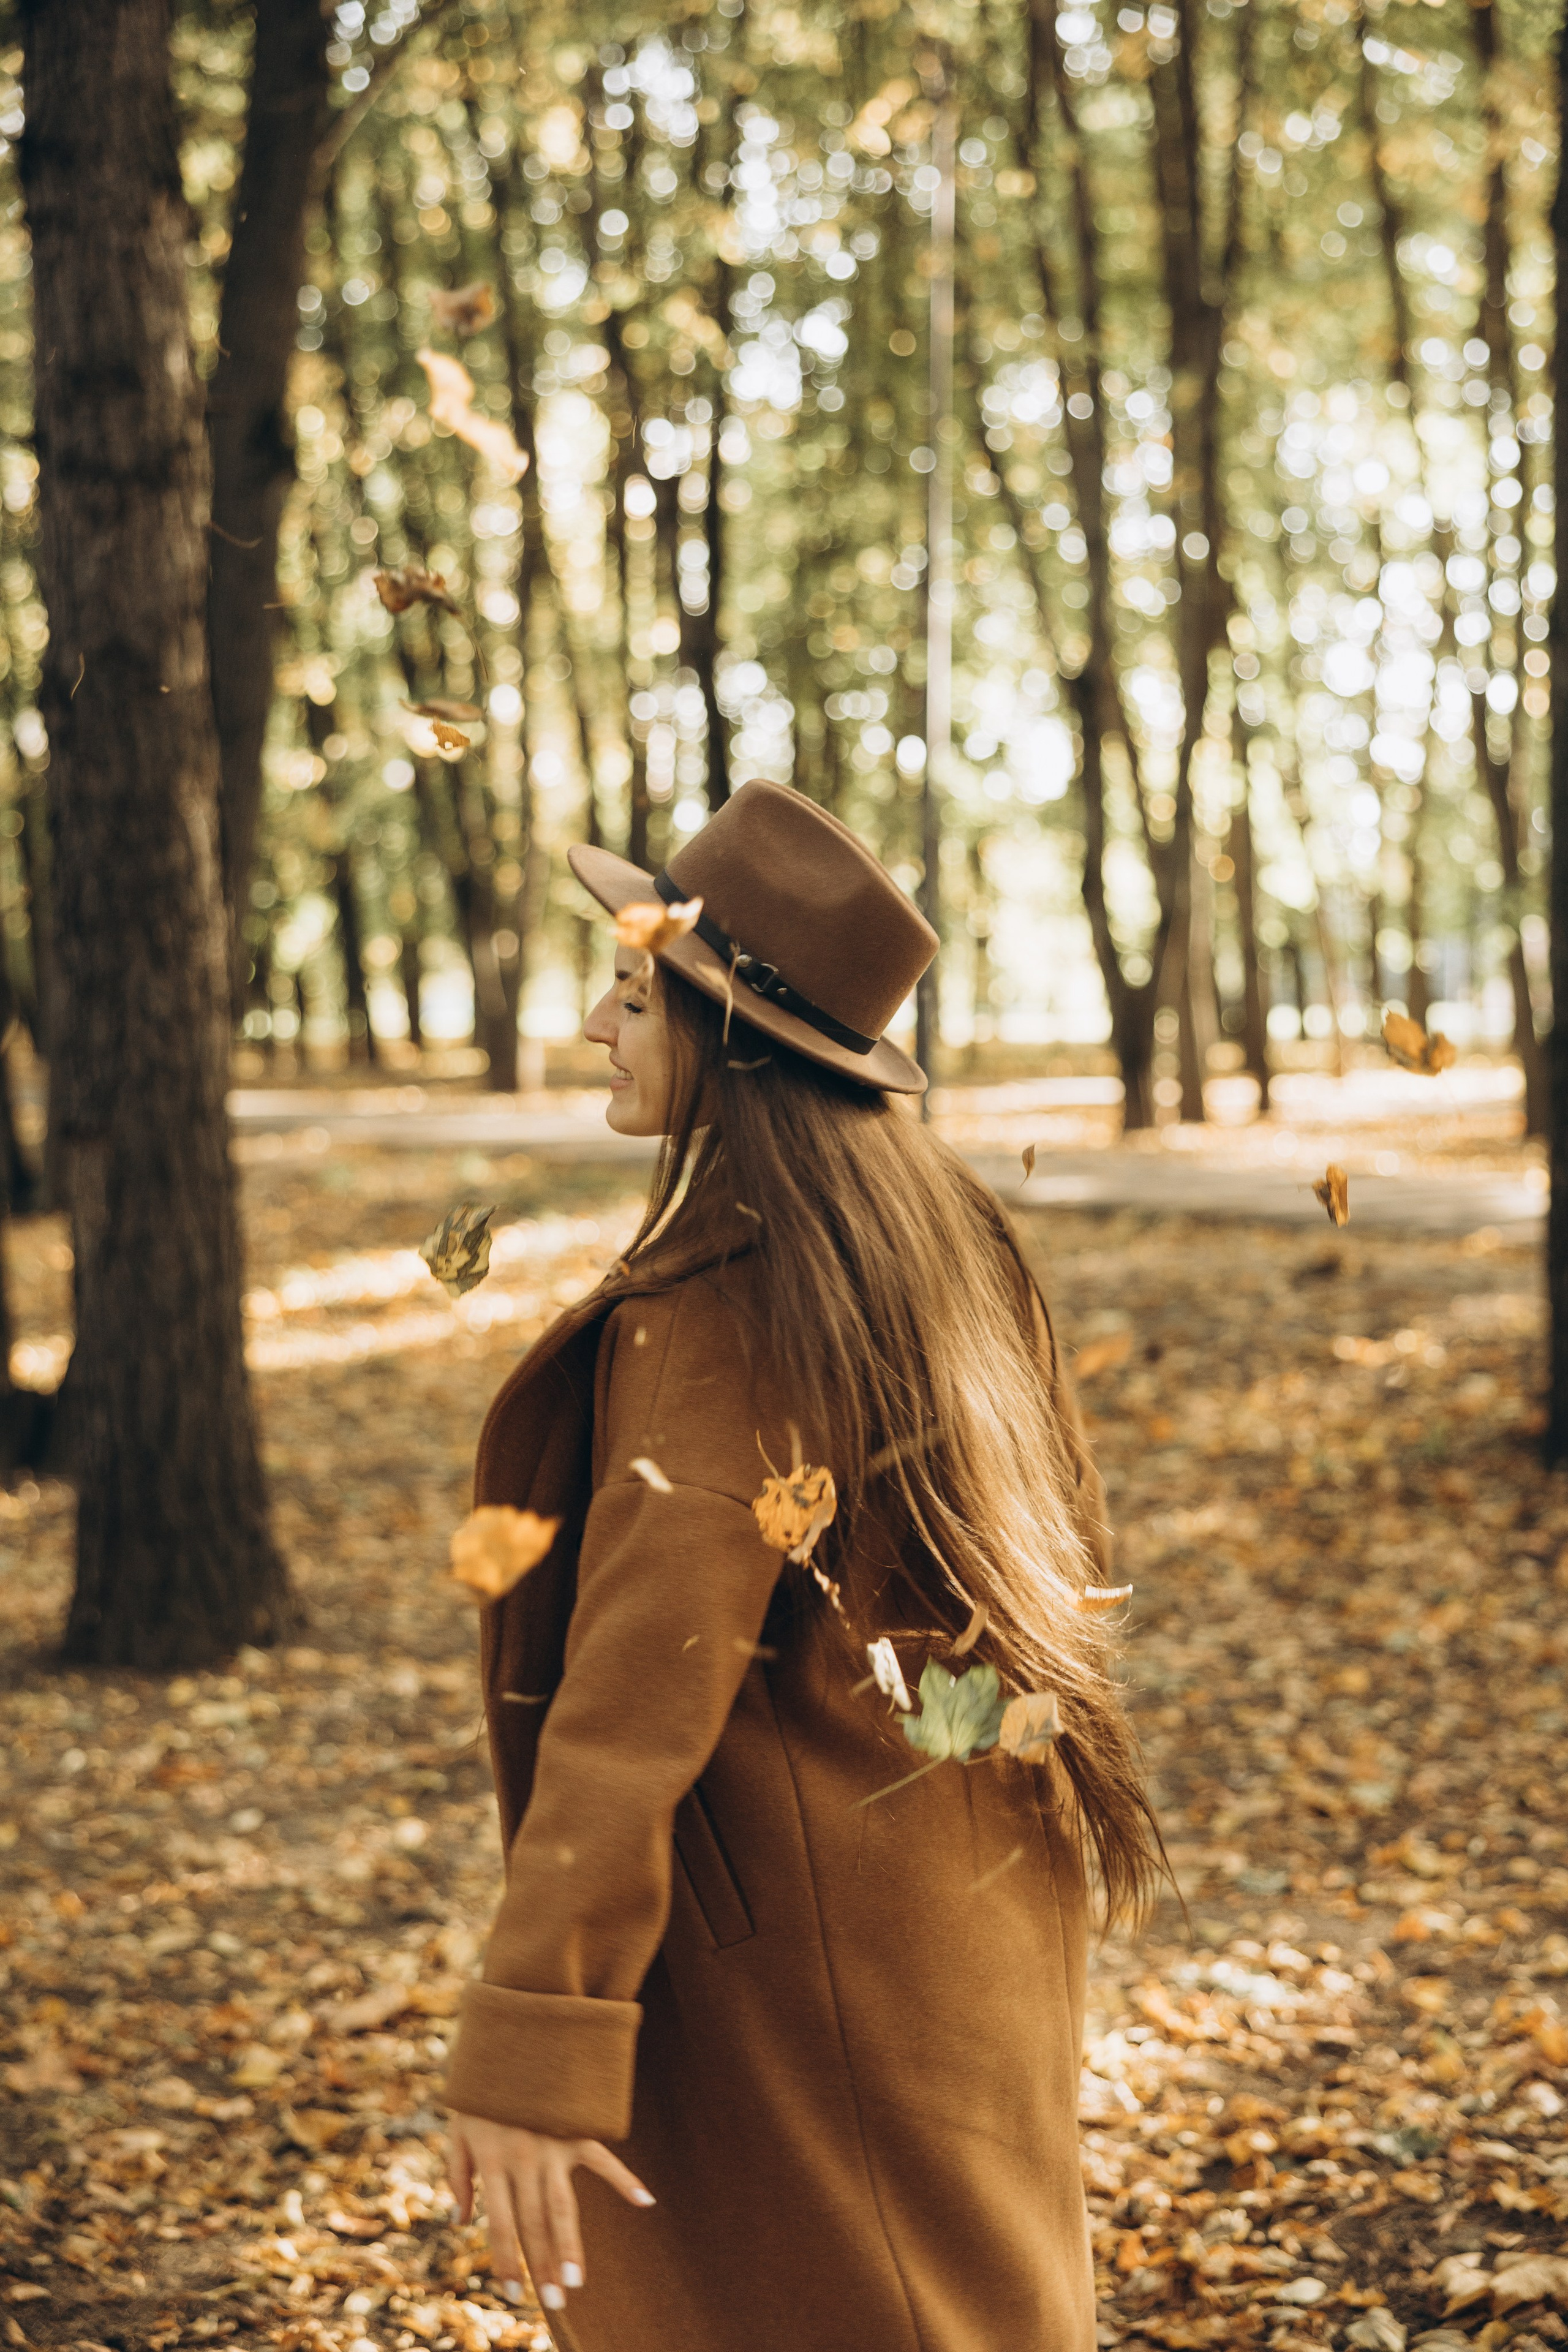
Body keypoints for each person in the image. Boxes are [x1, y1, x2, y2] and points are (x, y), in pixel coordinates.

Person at [444, 780, 1159, 2352]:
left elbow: (630, 1712)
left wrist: (533, 2042)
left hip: (813, 1961)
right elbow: (1065, 1570)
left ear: (728, 1032)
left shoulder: (727, 1309)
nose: (589, 1023)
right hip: (956, 1899)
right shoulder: (937, 1241)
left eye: (629, 992)